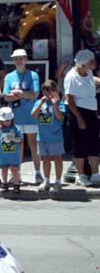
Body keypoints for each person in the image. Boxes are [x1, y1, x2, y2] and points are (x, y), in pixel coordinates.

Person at [2, 49, 41, 184]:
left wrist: (18, 93)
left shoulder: (33, 75)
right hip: (15, 117)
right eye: (16, 59)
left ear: (26, 59)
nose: (18, 61)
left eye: (21, 58)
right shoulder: (9, 77)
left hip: (31, 115)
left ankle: (38, 173)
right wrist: (24, 94)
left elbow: (35, 94)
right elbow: (6, 96)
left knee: (34, 145)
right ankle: (17, 173)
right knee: (18, 145)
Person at [62, 49, 100, 186]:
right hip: (78, 112)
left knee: (93, 143)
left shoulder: (88, 72)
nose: (93, 64)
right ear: (83, 64)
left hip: (91, 111)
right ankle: (81, 175)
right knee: (80, 145)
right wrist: (79, 119)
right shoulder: (71, 77)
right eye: (91, 62)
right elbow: (70, 100)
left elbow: (92, 79)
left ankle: (95, 173)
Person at [31, 80, 65, 192]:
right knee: (45, 158)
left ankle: (58, 181)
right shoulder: (39, 102)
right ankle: (46, 180)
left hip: (55, 136)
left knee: (57, 158)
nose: (46, 92)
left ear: (54, 91)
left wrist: (55, 104)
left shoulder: (59, 103)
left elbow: (60, 117)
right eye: (44, 90)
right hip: (42, 136)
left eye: (49, 90)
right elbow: (33, 115)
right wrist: (40, 103)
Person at [0, 107, 22, 193]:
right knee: (4, 169)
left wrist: (13, 138)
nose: (6, 123)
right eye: (4, 121)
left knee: (14, 169)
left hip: (13, 154)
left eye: (8, 121)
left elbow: (20, 139)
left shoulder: (15, 128)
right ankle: (4, 183)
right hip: (3, 154)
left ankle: (16, 184)